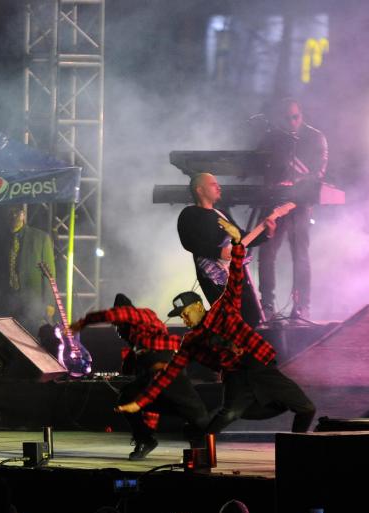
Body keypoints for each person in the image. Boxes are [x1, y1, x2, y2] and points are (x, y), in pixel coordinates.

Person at [116, 220, 316, 438]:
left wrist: (238, 242)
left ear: (199, 307)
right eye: (180, 315)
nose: (184, 318)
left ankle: (297, 445)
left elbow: (236, 275)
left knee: (306, 408)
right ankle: (199, 442)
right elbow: (170, 372)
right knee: (228, 413)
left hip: (261, 368)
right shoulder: (191, 341)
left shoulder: (224, 309)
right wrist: (140, 402)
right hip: (236, 378)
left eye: (186, 312)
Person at [70, 293, 209, 460]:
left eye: (117, 325)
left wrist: (83, 322)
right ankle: (146, 440)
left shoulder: (141, 315)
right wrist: (147, 432)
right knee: (127, 398)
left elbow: (115, 315)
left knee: (199, 417)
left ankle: (200, 447)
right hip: (157, 380)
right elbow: (146, 386)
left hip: (171, 372)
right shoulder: (137, 344)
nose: (116, 330)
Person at [256, 98, 328, 321]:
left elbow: (319, 171)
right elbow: (257, 163)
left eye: (295, 117)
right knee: (266, 252)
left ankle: (301, 305)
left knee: (300, 255)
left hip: (300, 203)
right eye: (287, 118)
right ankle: (267, 304)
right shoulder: (272, 137)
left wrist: (297, 184)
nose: (291, 122)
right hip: (274, 202)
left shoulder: (315, 137)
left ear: (302, 115)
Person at [177, 172, 273, 328]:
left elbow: (241, 239)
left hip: (235, 272)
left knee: (251, 315)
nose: (218, 187)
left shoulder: (221, 215)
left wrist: (267, 234)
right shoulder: (189, 214)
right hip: (213, 274)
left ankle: (244, 350)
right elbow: (189, 242)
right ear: (200, 190)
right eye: (213, 184)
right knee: (228, 318)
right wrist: (218, 253)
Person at [0, 205, 57, 333]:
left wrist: (50, 302)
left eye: (16, 213)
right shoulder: (2, 240)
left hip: (33, 299)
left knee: (33, 336)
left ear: (23, 215)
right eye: (10, 213)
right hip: (9, 299)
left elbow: (50, 274)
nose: (13, 216)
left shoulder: (40, 238)